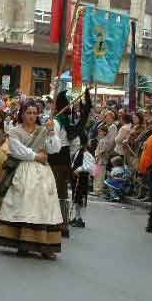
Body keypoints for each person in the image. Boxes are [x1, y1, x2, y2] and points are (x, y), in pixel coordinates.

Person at [0, 101, 63, 260]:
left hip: (43, 173)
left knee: (44, 206)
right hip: (24, 171)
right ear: (22, 114)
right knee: (24, 206)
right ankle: (22, 242)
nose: (31, 116)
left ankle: (45, 245)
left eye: (34, 113)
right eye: (28, 112)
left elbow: (54, 149)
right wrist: (35, 156)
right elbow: (17, 150)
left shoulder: (43, 130)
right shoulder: (14, 131)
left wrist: (52, 132)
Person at [48, 90, 92, 238]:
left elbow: (50, 143)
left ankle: (56, 223)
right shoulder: (66, 122)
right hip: (64, 160)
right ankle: (63, 224)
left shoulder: (56, 121)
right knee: (61, 193)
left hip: (54, 159)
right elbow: (76, 137)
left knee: (53, 192)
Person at [70, 134, 95, 228]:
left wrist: (79, 169)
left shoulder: (86, 152)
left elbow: (90, 166)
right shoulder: (79, 150)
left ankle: (79, 218)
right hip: (76, 177)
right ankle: (76, 217)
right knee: (75, 197)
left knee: (79, 197)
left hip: (81, 178)